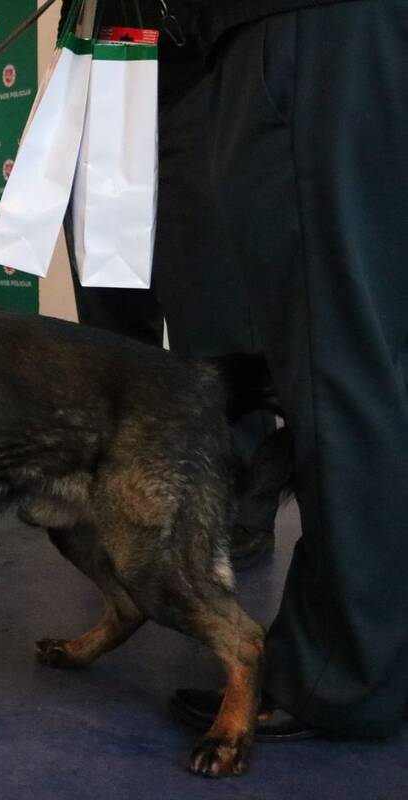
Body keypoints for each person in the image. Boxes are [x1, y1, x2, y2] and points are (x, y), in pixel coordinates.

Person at [167, 0, 408, 741]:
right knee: (376, 351)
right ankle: (374, 651)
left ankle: (343, 675)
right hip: (354, 34)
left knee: (335, 359)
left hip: (308, 32)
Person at [57, 1, 278, 567]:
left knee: (212, 310)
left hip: (197, 73)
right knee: (110, 322)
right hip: (98, 76)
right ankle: (124, 493)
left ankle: (238, 500)